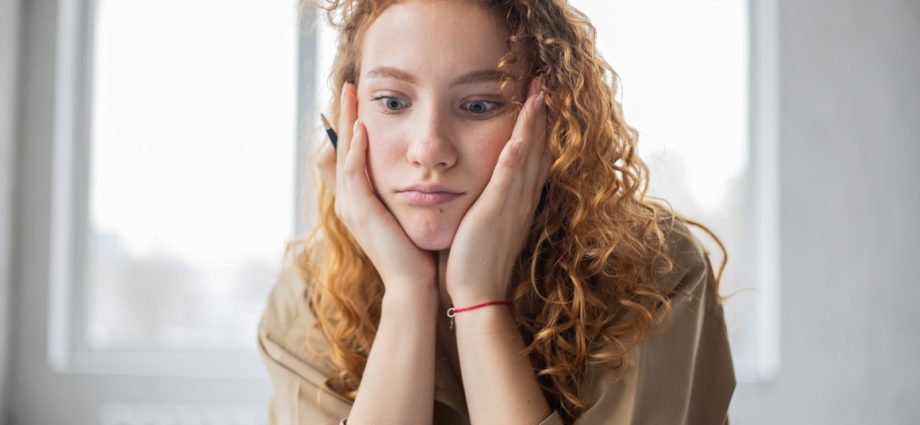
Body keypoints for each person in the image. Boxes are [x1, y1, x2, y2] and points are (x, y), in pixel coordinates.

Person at [257, 0, 736, 423]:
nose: (429, 149)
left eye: (479, 104)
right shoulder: (309, 299)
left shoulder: (656, 275)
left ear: (550, 120)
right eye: (393, 102)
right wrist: (407, 293)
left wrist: (479, 303)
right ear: (349, 118)